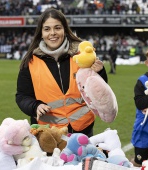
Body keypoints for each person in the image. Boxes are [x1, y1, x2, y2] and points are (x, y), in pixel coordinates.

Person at [15, 8, 108, 138]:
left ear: (64, 29)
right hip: (48, 133)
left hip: (83, 130)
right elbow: (22, 96)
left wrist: (100, 72)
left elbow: (98, 90)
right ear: (41, 33)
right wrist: (35, 106)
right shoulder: (30, 61)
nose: (52, 33)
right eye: (47, 29)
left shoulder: (81, 55)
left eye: (57, 28)